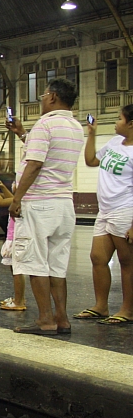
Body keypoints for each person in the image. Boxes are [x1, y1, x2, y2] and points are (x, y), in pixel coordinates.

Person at [6, 78, 83, 335]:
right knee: (57, 266)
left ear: (52, 97)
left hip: (39, 205)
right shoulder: (75, 127)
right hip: (64, 206)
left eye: (42, 95)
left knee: (35, 263)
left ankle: (45, 320)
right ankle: (62, 319)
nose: (40, 99)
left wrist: (17, 199)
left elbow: (36, 164)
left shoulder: (45, 124)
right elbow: (48, 154)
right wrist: (23, 134)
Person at [75, 107, 133, 325]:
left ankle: (128, 309)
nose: (116, 123)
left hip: (126, 210)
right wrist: (91, 133)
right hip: (105, 210)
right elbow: (91, 160)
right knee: (98, 258)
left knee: (127, 262)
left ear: (131, 124)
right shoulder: (114, 143)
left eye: (120, 119)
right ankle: (101, 306)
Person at [0, 177, 28, 312]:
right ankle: (19, 297)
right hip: (12, 237)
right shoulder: (18, 198)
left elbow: (0, 201)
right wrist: (3, 188)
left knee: (17, 270)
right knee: (15, 270)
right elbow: (11, 197)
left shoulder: (22, 199)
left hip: (15, 238)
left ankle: (19, 300)